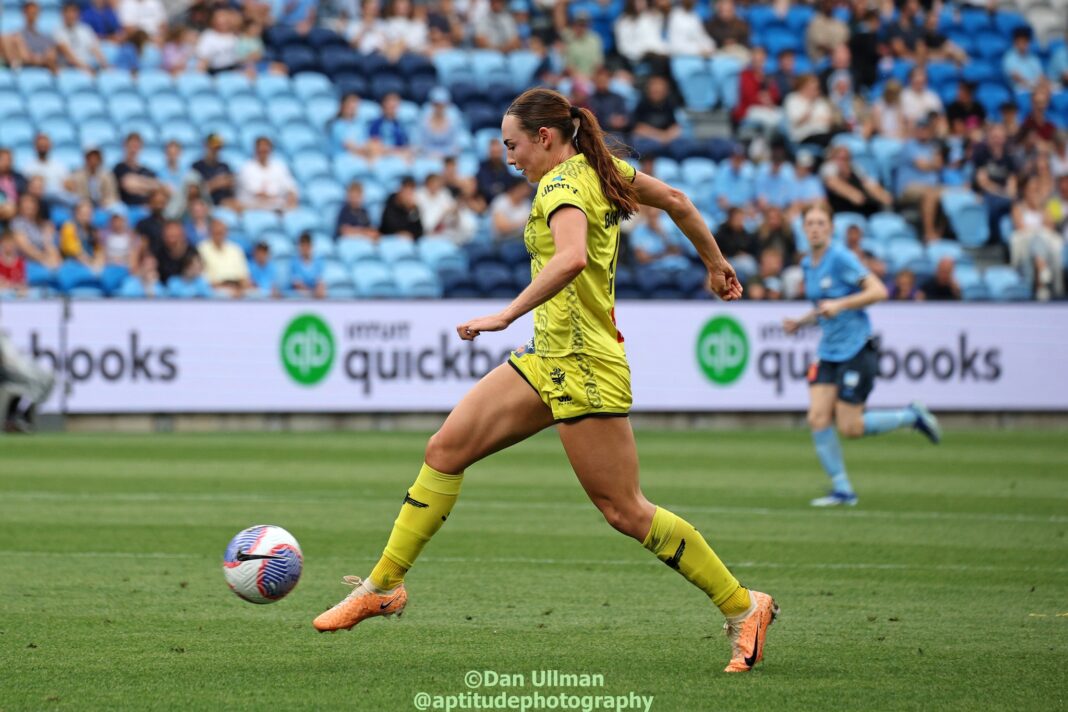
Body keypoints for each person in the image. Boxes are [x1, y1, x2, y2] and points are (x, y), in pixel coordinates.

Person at [311, 87, 777, 675]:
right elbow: (680, 201)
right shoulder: (605, 171)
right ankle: (383, 586)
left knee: (625, 511)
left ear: (545, 138)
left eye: (512, 145)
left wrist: (503, 314)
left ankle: (743, 606)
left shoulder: (559, 186)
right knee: (445, 450)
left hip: (584, 365)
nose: (509, 157)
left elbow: (571, 258)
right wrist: (714, 262)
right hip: (547, 357)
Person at [783, 203, 941, 508]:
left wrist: (841, 304)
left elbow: (879, 291)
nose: (815, 228)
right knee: (817, 417)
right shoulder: (807, 264)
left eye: (820, 223)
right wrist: (800, 322)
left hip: (856, 349)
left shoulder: (841, 257)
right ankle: (842, 490)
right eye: (810, 223)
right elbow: (823, 307)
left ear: (830, 228)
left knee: (850, 427)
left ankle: (912, 416)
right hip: (828, 351)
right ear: (804, 229)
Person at [0, 320, 56, 434]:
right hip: (9, 371)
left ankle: (20, 414)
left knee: (49, 377)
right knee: (35, 382)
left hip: (18, 367)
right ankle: (18, 415)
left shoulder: (3, 335)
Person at [237, 137, 299, 211]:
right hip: (253, 207)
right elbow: (257, 193)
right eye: (261, 148)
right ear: (256, 150)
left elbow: (291, 187)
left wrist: (291, 196)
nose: (263, 151)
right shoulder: (246, 168)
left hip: (277, 207)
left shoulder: (279, 167)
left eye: (266, 148)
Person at [198, 218, 253, 297]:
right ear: (210, 232)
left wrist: (240, 288)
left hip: (237, 286)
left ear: (226, 232)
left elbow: (244, 275)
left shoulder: (235, 249)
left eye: (221, 232)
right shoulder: (202, 249)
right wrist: (223, 287)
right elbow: (202, 278)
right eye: (216, 233)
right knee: (222, 294)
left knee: (257, 294)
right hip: (215, 288)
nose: (219, 235)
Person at [289, 232, 325, 298]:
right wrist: (311, 294)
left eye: (307, 246)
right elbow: (297, 285)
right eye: (303, 246)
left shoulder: (319, 262)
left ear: (311, 246)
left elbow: (320, 282)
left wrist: (318, 291)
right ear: (299, 247)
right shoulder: (294, 263)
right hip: (299, 297)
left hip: (314, 296)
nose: (305, 249)